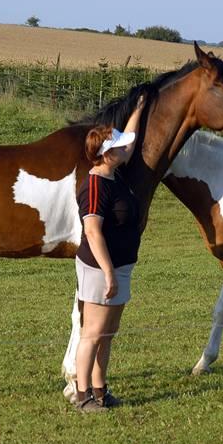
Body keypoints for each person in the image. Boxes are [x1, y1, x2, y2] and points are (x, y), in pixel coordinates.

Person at [74, 97, 144, 412]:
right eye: (117, 146)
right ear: (105, 153)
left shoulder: (114, 171)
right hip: (100, 270)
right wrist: (108, 273)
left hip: (121, 266)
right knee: (92, 333)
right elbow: (92, 232)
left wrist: (140, 110)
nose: (124, 150)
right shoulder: (95, 186)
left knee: (108, 333)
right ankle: (82, 393)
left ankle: (101, 389)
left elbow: (129, 146)